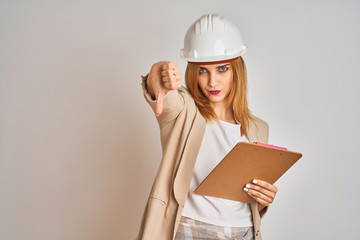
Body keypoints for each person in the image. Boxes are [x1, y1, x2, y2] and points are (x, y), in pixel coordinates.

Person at [136, 14, 278, 240]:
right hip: (193, 229)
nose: (212, 82)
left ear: (237, 71)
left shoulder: (258, 128)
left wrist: (262, 200)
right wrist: (156, 78)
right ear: (193, 71)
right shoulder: (184, 110)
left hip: (245, 232)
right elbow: (164, 97)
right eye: (203, 70)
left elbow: (248, 200)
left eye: (222, 69)